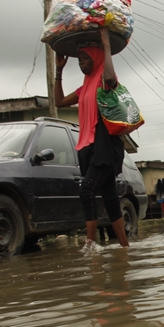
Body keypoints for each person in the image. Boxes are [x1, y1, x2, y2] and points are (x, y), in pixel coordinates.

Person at [54, 28, 129, 249]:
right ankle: (125, 247)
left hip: (105, 148)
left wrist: (106, 46)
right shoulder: (84, 87)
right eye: (79, 59)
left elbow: (109, 76)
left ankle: (90, 244)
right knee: (109, 197)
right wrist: (59, 70)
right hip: (89, 147)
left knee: (86, 190)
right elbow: (58, 101)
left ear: (96, 58)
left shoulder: (104, 83)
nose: (81, 63)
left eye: (85, 58)